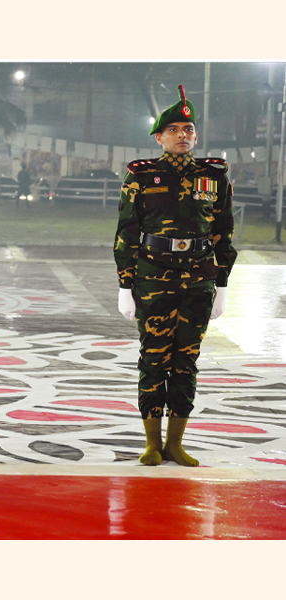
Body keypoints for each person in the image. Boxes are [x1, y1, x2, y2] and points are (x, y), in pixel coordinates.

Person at [114, 85, 237, 467]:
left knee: (187, 360)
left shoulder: (213, 176)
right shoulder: (142, 175)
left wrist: (222, 284)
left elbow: (224, 231)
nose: (183, 135)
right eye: (175, 130)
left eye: (189, 129)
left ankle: (176, 443)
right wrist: (125, 284)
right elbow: (126, 232)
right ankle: (152, 443)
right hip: (153, 277)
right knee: (153, 359)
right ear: (160, 137)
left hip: (199, 278)